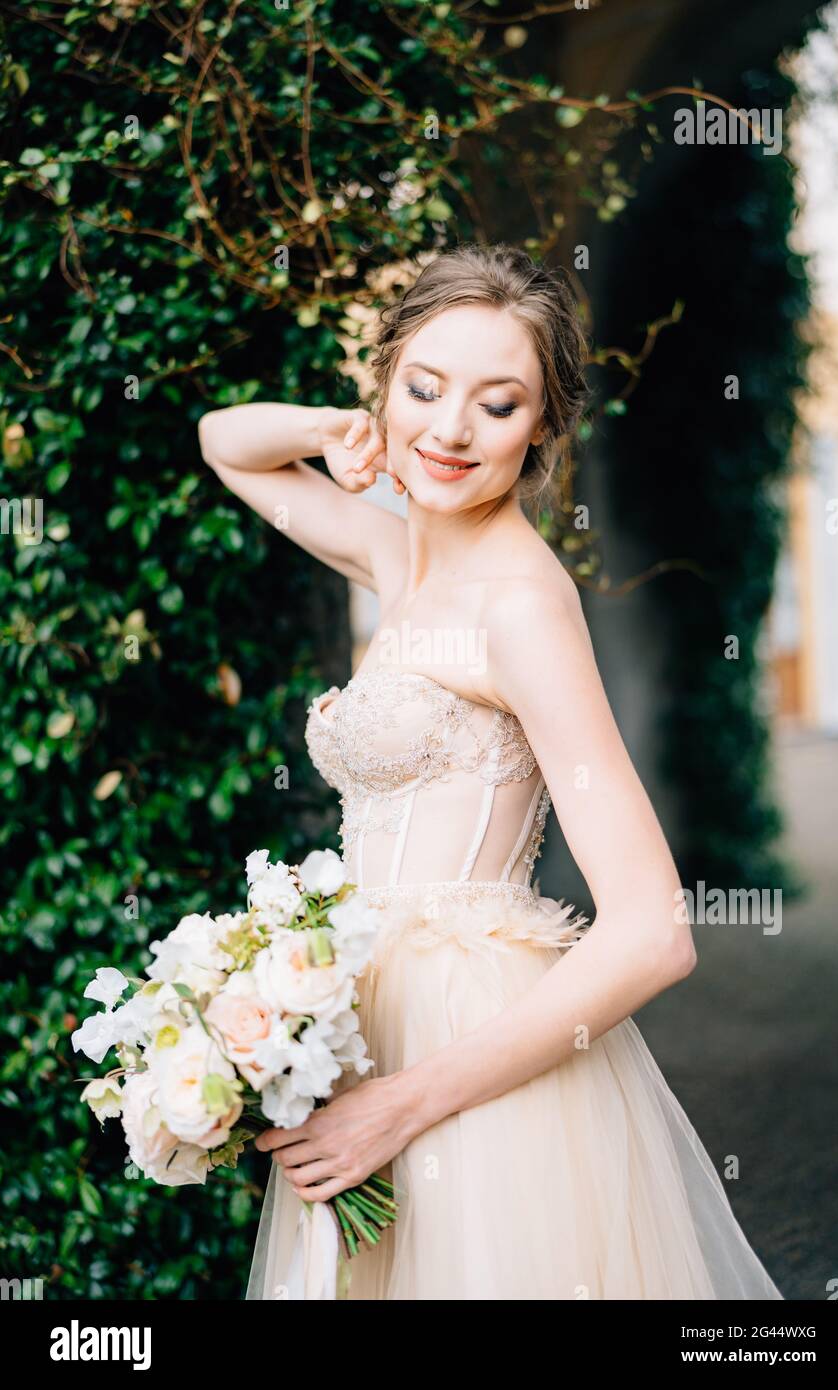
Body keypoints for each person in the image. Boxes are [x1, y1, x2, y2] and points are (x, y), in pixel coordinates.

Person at [197, 242, 784, 1300]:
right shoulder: (396, 555)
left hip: (469, 1060)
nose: (452, 430)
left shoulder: (518, 608)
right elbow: (225, 444)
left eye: (498, 404)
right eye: (423, 387)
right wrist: (337, 431)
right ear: (384, 384)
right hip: (366, 1025)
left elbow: (653, 932)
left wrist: (404, 1101)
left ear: (544, 428)